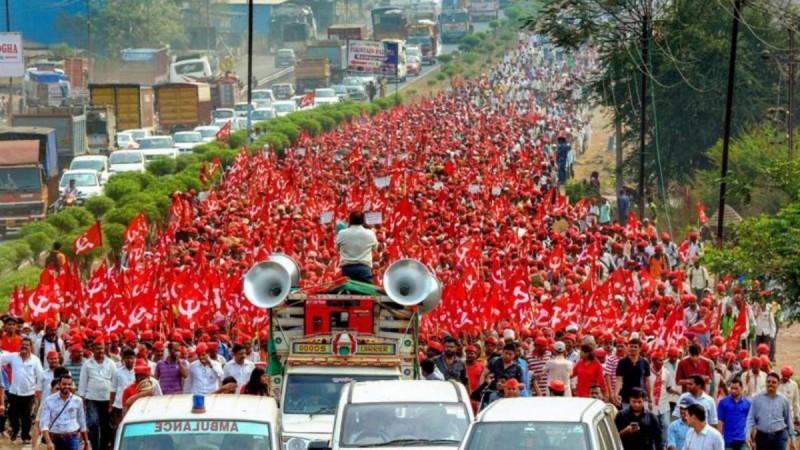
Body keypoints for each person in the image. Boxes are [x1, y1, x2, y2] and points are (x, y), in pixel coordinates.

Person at [0, 337, 43, 444]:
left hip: (28, 394)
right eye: (23, 344)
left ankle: (25, 436)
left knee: (26, 417)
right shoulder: (13, 357)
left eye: (27, 345)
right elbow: (1, 358)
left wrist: (37, 390)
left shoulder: (35, 360)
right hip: (14, 392)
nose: (24, 346)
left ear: (31, 347)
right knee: (12, 414)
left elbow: (40, 375)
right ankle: (15, 430)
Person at [78, 338, 116, 450]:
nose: (100, 350)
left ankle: (104, 447)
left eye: (102, 348)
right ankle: (95, 446)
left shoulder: (111, 363)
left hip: (106, 399)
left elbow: (114, 383)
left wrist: (111, 402)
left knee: (105, 426)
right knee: (93, 423)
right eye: (97, 348)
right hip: (92, 399)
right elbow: (82, 382)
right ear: (93, 349)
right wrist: (82, 400)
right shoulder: (87, 364)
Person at [746, 371, 795, 450]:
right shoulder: (757, 399)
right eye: (768, 382)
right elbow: (750, 418)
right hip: (762, 437)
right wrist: (747, 435)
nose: (770, 384)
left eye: (773, 382)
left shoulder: (783, 400)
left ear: (778, 384)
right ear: (765, 383)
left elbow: (788, 420)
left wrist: (792, 438)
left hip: (779, 437)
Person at [40, 374, 90, 450]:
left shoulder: (78, 400)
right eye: (64, 384)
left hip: (73, 438)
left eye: (69, 384)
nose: (67, 386)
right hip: (55, 438)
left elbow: (82, 422)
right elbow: (44, 424)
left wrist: (86, 442)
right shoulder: (49, 400)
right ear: (59, 384)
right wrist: (49, 442)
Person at [334, 211, 379, 283]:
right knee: (366, 292)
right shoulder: (370, 233)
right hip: (364, 270)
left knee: (346, 293)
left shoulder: (342, 233)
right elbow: (375, 248)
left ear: (350, 221)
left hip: (346, 270)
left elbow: (336, 249)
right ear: (363, 221)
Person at [615, 338, 651, 408]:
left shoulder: (644, 362)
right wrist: (616, 394)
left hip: (640, 397)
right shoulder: (622, 362)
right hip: (626, 398)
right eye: (631, 346)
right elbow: (619, 380)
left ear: (640, 349)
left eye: (635, 347)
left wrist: (650, 399)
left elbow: (647, 381)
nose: (633, 349)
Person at [717, 378, 751, 450]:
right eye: (731, 388)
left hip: (743, 439)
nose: (733, 391)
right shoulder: (723, 403)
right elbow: (720, 422)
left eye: (736, 388)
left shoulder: (748, 403)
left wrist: (752, 439)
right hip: (728, 439)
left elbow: (750, 422)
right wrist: (719, 439)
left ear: (741, 388)